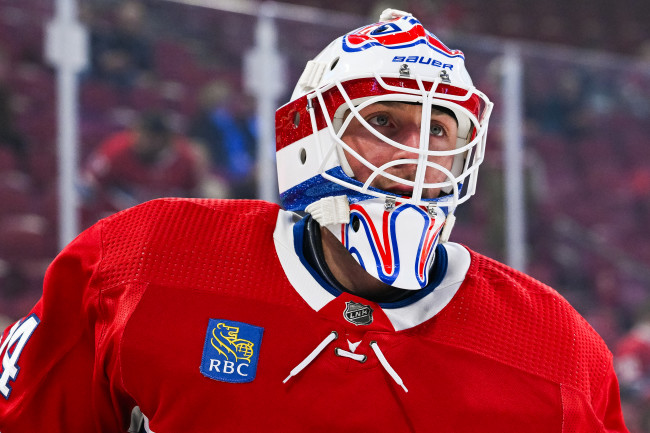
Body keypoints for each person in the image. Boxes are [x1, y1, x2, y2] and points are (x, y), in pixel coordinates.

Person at [0, 9, 629, 432]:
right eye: (383, 122)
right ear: (314, 136)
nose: (415, 154)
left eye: (438, 129)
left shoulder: (558, 351)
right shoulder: (144, 259)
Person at [80, 110, 205, 220]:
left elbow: (193, 196)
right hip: (118, 221)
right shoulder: (114, 151)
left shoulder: (185, 158)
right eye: (139, 134)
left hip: (163, 224)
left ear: (165, 139)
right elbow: (89, 186)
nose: (141, 141)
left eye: (150, 138)